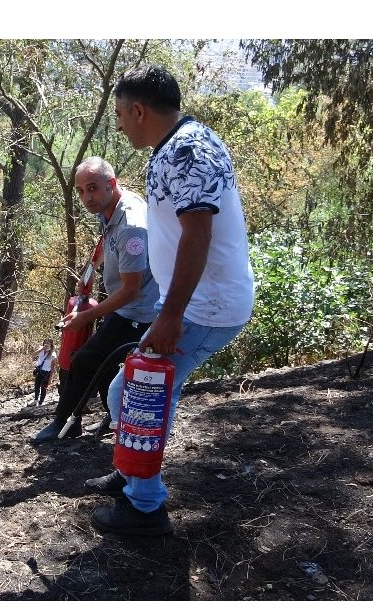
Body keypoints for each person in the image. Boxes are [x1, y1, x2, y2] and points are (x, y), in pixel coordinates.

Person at [86, 65, 255, 536]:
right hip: (195, 302)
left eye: (120, 114)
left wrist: (172, 314)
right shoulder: (179, 144)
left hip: (206, 307)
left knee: (135, 393)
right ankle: (130, 474)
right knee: (140, 392)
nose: (117, 124)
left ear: (139, 110)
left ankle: (145, 507)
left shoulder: (186, 151)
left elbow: (197, 235)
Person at [30, 156, 159, 443]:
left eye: (92, 189)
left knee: (86, 359)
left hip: (139, 311)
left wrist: (87, 316)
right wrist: (90, 269)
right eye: (80, 191)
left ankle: (64, 423)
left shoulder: (132, 227)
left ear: (111, 185)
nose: (86, 197)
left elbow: (131, 290)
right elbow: (104, 240)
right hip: (124, 304)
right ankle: (113, 418)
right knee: (103, 362)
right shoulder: (109, 206)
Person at [31, 339, 56, 406]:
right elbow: (33, 355)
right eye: (45, 343)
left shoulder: (53, 354)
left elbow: (53, 367)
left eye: (48, 343)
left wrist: (50, 378)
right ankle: (36, 400)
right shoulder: (40, 350)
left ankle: (40, 402)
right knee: (36, 386)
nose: (46, 344)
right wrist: (41, 349)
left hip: (46, 373)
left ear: (51, 344)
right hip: (39, 371)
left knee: (43, 388)